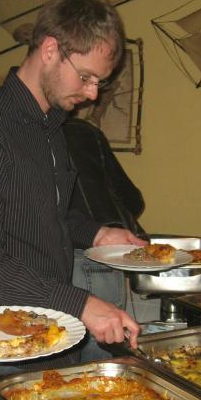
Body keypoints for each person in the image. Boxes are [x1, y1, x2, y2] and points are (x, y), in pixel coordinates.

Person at [0, 0, 146, 400]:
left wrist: (97, 232)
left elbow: (49, 214)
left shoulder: (51, 129)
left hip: (49, 333)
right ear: (50, 49)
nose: (92, 94)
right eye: (86, 77)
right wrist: (82, 304)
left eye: (99, 82)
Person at [64, 116, 147, 361]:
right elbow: (133, 200)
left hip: (59, 258)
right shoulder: (85, 132)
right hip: (105, 253)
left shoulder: (20, 134)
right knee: (103, 357)